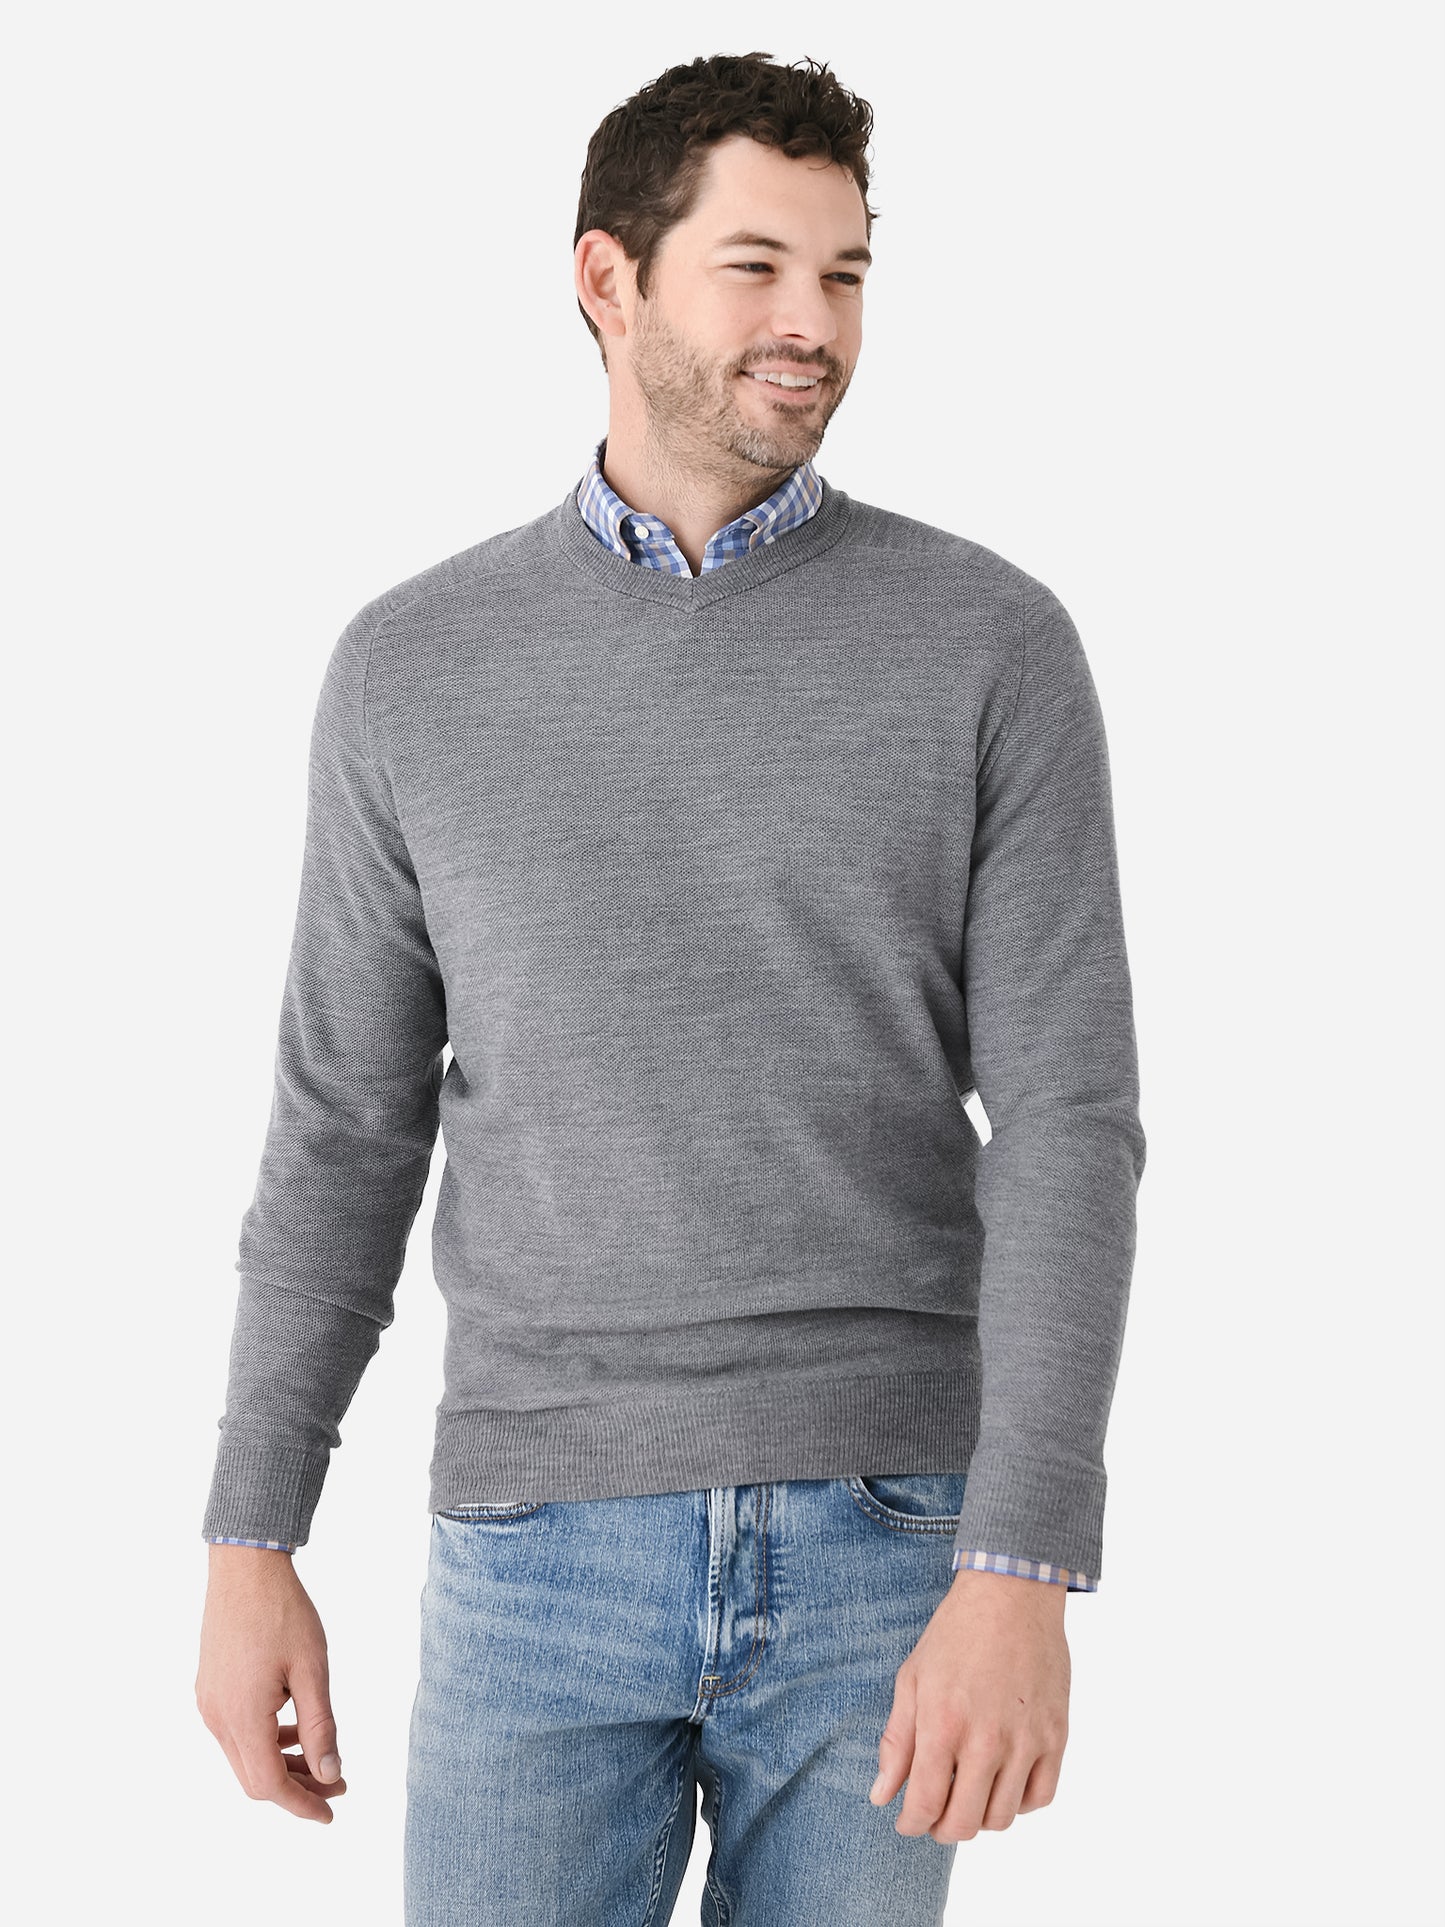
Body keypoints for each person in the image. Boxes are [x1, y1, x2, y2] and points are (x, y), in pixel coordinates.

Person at [195, 49, 1146, 1926]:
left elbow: (1069, 1123)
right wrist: (250, 1533)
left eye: (846, 274)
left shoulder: (989, 644)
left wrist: (1022, 1563)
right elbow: (344, 1130)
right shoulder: (411, 667)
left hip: (890, 1540)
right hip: (532, 1541)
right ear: (606, 279)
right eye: (756, 267)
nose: (814, 324)